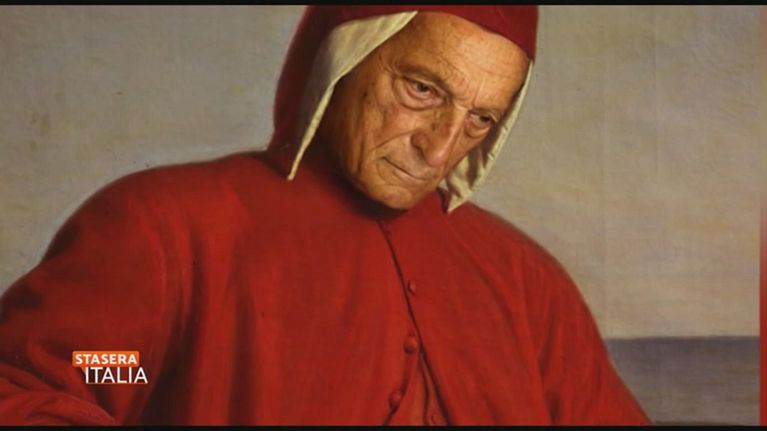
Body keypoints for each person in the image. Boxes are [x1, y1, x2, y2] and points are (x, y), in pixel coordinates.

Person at [0, 6, 650, 425]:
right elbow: (71, 373)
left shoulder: (525, 281)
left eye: (480, 119)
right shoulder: (166, 227)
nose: (440, 149)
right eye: (422, 89)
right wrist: (162, 364)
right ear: (343, 58)